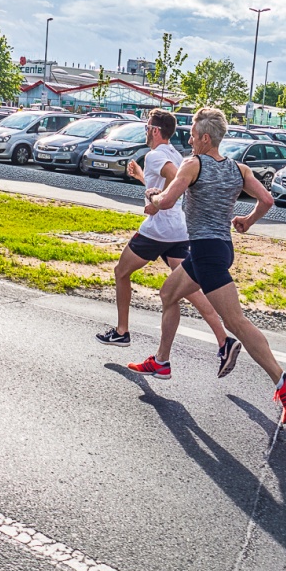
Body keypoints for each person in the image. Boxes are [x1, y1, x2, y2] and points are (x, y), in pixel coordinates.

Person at [129, 108, 286, 425]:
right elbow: (266, 200)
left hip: (208, 253)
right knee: (168, 293)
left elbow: (167, 202)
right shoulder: (239, 170)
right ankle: (162, 361)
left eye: (194, 136)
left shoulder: (192, 164)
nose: (190, 140)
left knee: (236, 322)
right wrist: (246, 222)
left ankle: (283, 382)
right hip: (217, 248)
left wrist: (153, 195)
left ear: (205, 138)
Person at [96, 110, 241, 377]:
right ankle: (223, 341)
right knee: (188, 290)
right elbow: (166, 181)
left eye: (146, 126)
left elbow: (176, 180)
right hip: (180, 230)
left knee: (121, 272)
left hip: (158, 230)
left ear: (154, 130)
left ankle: (121, 332)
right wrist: (142, 177)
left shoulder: (155, 154)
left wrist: (157, 204)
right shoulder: (175, 153)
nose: (144, 130)